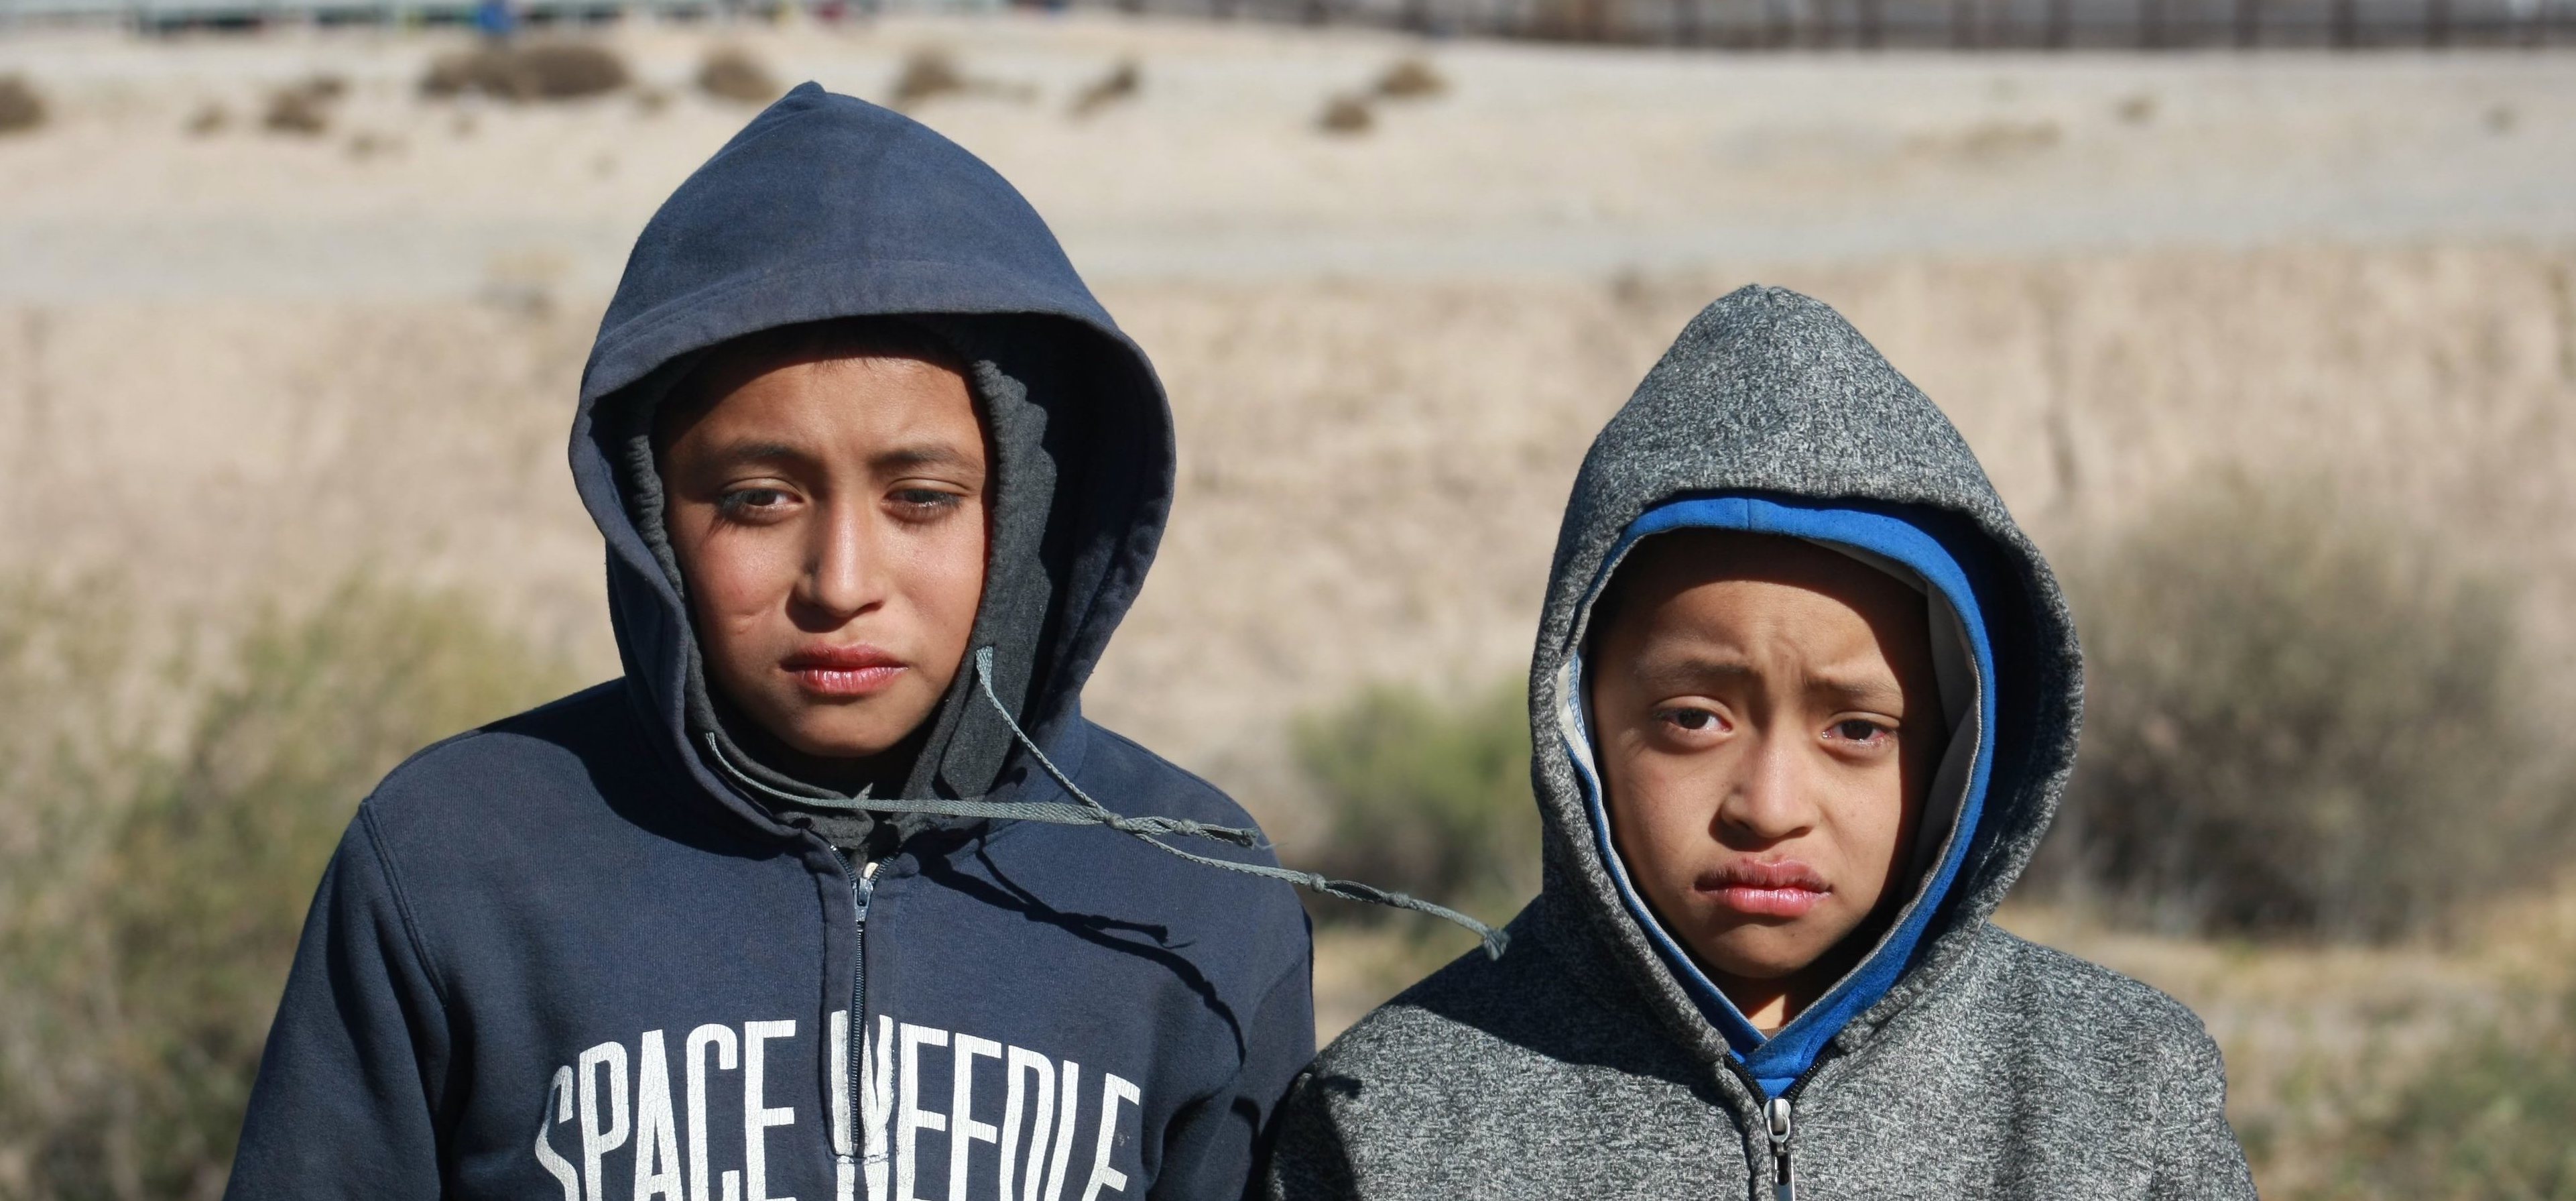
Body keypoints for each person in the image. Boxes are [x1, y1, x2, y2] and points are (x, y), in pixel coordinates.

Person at [227, 86, 1339, 1201]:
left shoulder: (1191, 898)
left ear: (1029, 517)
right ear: (655, 514)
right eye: (758, 499)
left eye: (921, 498)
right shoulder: (455, 860)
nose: (841, 583)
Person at [1264, 286, 2257, 1198]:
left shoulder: (2119, 1096)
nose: (1770, 805)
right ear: (1575, 725)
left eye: (1859, 730)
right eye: (1694, 719)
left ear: (1960, 754)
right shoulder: (1390, 1123)